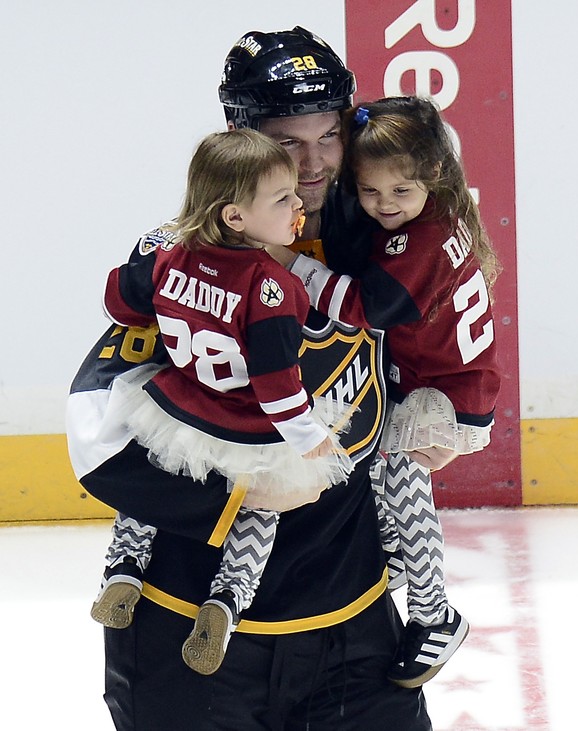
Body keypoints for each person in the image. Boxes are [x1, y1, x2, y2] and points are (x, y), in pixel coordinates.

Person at [66, 27, 433, 730]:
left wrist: (460, 403)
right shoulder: (190, 256)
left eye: (328, 136)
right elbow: (98, 413)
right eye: (289, 144)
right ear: (241, 138)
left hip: (352, 631)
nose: (315, 162)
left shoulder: (384, 238)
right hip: (190, 636)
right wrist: (237, 496)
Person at [89, 127, 354, 677]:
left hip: (178, 410)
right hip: (249, 424)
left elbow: (118, 300)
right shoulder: (271, 286)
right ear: (236, 217)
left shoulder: (172, 257)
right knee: (260, 510)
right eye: (282, 199)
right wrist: (310, 438)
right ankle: (225, 604)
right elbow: (279, 383)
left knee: (153, 492)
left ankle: (121, 572)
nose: (299, 203)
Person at [271, 96, 501, 688]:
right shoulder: (437, 214)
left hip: (443, 397)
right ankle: (402, 558)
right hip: (446, 386)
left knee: (399, 477)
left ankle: (433, 615)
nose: (382, 206)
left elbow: (362, 308)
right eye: (370, 193)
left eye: (399, 192)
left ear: (432, 178)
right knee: (377, 465)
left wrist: (286, 263)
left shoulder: (418, 240)